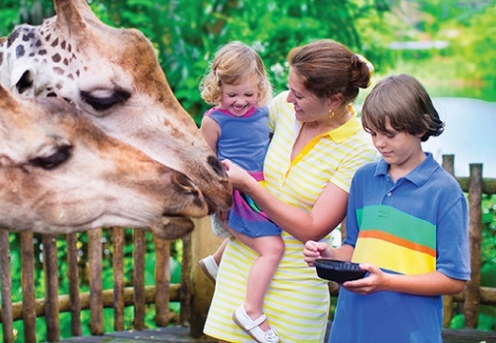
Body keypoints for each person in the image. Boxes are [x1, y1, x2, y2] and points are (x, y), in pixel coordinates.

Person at [203, 39, 377, 343]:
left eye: (299, 95)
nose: (288, 99)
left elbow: (312, 228)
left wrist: (249, 186)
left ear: (334, 100)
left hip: (297, 283)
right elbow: (241, 137)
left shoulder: (357, 148)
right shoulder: (284, 109)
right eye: (290, 89)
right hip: (241, 269)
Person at [303, 74, 470, 342]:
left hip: (410, 333)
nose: (379, 143)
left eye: (389, 134)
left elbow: (454, 279)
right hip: (351, 329)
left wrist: (387, 282)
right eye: (373, 133)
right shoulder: (363, 179)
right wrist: (330, 254)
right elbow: (354, 247)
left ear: (420, 127)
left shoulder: (445, 192)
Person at [197, 41, 284, 343]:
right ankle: (251, 311)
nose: (240, 102)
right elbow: (205, 164)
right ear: (217, 87)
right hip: (236, 195)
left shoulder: (263, 114)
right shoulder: (213, 120)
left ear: (259, 87)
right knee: (272, 249)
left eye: (248, 94)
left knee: (265, 233)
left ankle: (215, 262)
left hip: (258, 190)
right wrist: (219, 203)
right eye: (232, 95)